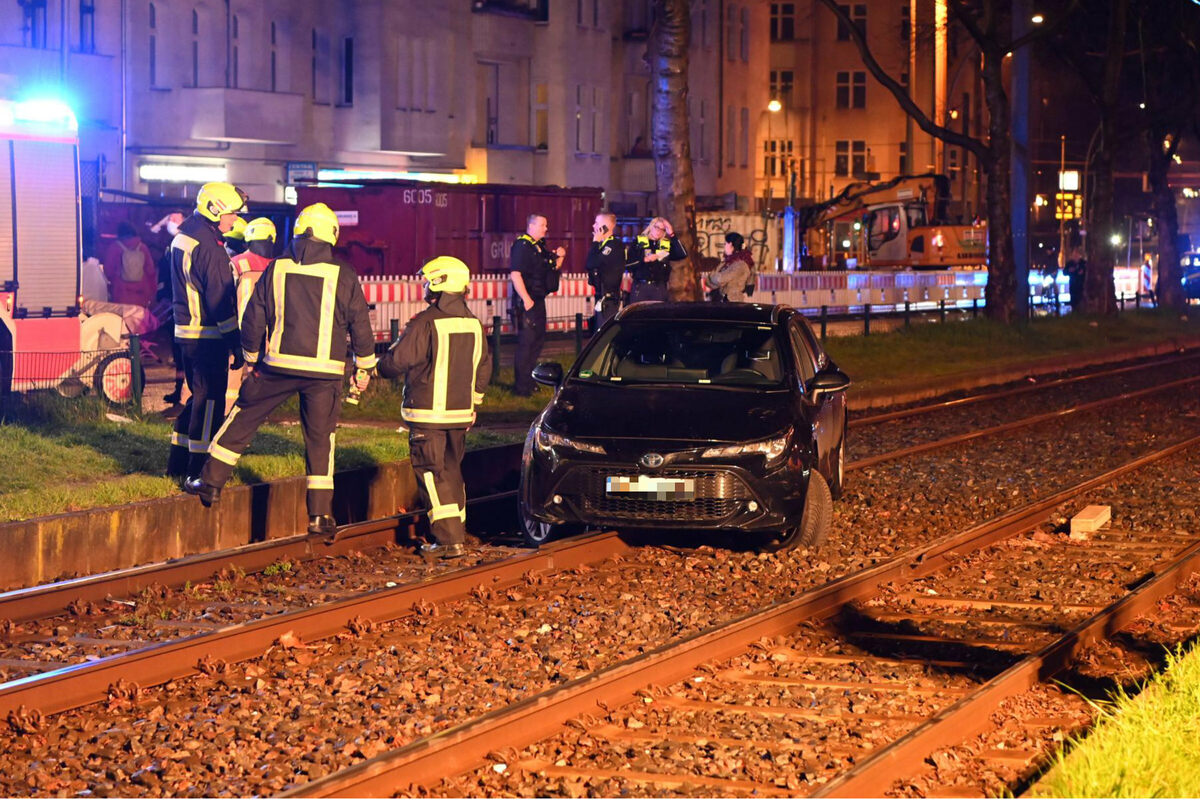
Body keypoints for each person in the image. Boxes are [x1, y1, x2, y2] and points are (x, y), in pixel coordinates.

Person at [185, 203, 377, 541]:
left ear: (300, 232)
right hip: (326, 373)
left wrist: (252, 356)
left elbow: (254, 317)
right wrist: (364, 365)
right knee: (320, 441)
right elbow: (359, 323)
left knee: (243, 419)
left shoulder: (278, 268)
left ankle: (210, 483)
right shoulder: (343, 273)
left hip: (276, 366)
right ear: (330, 234)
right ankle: (320, 516)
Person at [378, 256, 491, 559]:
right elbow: (484, 369)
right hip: (460, 415)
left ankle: (448, 541)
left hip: (428, 415)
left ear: (441, 283)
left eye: (430, 280)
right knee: (452, 472)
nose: (426, 286)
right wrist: (474, 403)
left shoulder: (426, 322)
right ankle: (459, 532)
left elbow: (397, 361)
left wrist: (377, 367)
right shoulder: (474, 323)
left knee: (431, 472)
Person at [166, 181, 247, 480]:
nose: (236, 220)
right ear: (215, 211)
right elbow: (220, 302)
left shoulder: (186, 236)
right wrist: (236, 343)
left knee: (197, 398)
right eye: (233, 214)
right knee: (210, 402)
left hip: (186, 334)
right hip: (206, 337)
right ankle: (197, 471)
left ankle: (176, 463)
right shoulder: (209, 248)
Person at [225, 217, 277, 411]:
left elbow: (225, 295)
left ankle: (228, 413)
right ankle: (254, 411)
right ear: (272, 239)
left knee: (234, 373)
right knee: (260, 374)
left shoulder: (235, 262)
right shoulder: (276, 266)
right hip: (267, 331)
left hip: (237, 328)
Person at [509, 214, 564, 396]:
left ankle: (529, 381)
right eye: (542, 225)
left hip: (538, 299)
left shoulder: (538, 246)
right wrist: (526, 300)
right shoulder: (522, 245)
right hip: (528, 301)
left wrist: (560, 257)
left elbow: (551, 269)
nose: (545, 229)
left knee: (537, 341)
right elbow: (515, 274)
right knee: (526, 343)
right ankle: (521, 388)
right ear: (531, 226)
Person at [626, 216, 687, 303]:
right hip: (640, 287)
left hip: (659, 288)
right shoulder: (639, 241)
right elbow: (628, 265)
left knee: (658, 314)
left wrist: (672, 234)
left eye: (663, 229)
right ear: (651, 226)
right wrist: (644, 260)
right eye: (657, 227)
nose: (658, 231)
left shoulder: (665, 245)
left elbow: (682, 254)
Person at [585, 212, 626, 332]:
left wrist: (594, 242)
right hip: (600, 297)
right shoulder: (602, 245)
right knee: (598, 332)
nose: (593, 226)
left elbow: (591, 263)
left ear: (606, 226)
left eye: (597, 223)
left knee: (605, 334)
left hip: (609, 300)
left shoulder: (614, 245)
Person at [102, 222, 157, 308]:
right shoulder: (143, 247)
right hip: (141, 293)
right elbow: (150, 271)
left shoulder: (114, 248)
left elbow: (108, 271)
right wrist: (152, 292)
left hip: (121, 293)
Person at [704, 232, 754, 303]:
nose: (724, 246)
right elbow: (709, 282)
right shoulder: (727, 262)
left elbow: (720, 279)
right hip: (724, 301)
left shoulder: (740, 264)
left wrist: (713, 278)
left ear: (730, 244)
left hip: (733, 303)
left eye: (725, 244)